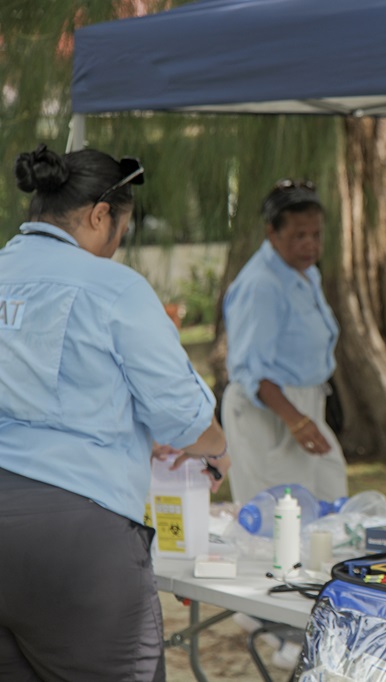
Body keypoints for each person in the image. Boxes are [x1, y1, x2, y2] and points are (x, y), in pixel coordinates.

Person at [0, 144, 230, 681]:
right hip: (77, 534)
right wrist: (217, 449)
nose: (116, 246)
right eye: (121, 231)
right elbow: (183, 416)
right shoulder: (113, 287)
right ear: (100, 215)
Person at [222, 179, 347, 507]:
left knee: (331, 504)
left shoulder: (306, 273)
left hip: (305, 406)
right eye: (299, 236)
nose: (310, 245)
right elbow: (252, 371)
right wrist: (296, 420)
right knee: (280, 518)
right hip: (269, 411)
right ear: (272, 233)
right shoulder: (262, 285)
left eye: (316, 235)